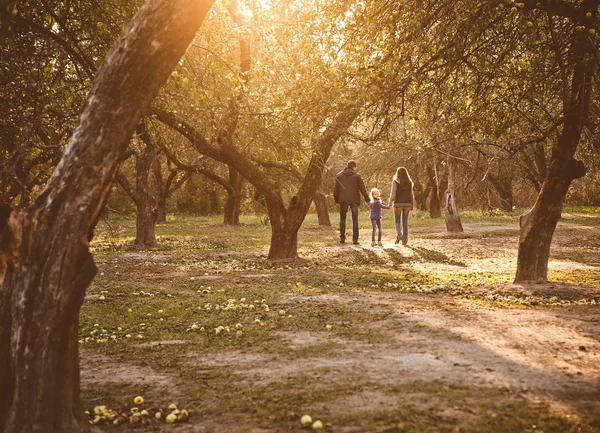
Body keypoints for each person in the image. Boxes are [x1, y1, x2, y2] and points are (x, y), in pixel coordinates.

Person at [333, 160, 370, 245]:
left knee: (342, 219)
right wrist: (367, 199)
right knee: (355, 220)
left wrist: (336, 200)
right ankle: (355, 239)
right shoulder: (357, 176)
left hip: (343, 200)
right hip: (354, 200)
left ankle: (342, 238)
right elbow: (362, 188)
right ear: (353, 166)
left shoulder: (339, 175)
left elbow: (336, 190)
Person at [389, 166, 414, 246]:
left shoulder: (395, 181)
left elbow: (393, 194)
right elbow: (411, 195)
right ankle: (405, 241)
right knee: (405, 222)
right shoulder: (409, 182)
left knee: (397, 220)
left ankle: (399, 235)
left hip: (397, 204)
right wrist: (412, 206)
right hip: (407, 204)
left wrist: (389, 204)